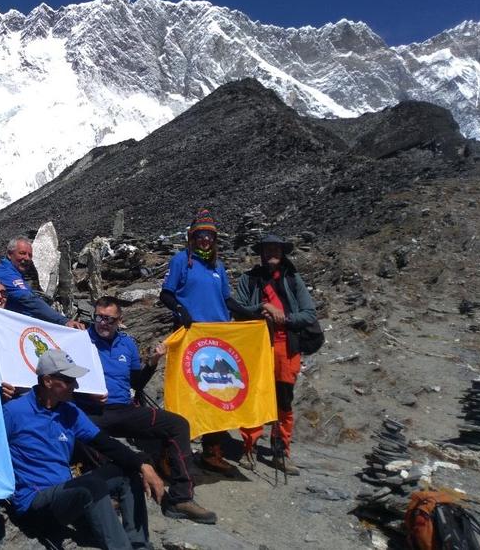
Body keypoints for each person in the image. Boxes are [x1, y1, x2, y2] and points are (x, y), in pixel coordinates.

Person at [3, 349, 165, 550]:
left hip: (67, 494)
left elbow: (104, 443)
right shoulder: (14, 411)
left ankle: (139, 544)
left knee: (127, 470)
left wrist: (143, 465)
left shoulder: (69, 411)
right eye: (69, 380)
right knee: (91, 485)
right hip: (35, 503)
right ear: (47, 381)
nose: (76, 385)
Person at [79, 297, 217, 524]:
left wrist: (152, 363)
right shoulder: (81, 341)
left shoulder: (128, 344)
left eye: (109, 319)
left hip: (124, 409)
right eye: (99, 317)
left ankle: (182, 498)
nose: (103, 323)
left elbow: (136, 383)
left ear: (119, 321)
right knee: (80, 429)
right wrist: (86, 394)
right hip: (92, 410)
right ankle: (111, 490)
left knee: (178, 424)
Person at [158, 209, 251, 475]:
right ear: (192, 237)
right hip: (191, 337)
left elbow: (227, 301)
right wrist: (180, 310)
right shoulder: (180, 261)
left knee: (218, 393)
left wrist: (252, 315)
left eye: (209, 236)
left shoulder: (217, 267)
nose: (205, 240)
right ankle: (169, 452)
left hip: (217, 338)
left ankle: (212, 451)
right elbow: (166, 294)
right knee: (186, 395)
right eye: (200, 235)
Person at [235, 234, 317, 475]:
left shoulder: (293, 279)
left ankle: (281, 450)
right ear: (261, 252)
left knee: (283, 399)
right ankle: (249, 447)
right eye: (268, 249)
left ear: (283, 253)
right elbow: (238, 308)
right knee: (254, 395)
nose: (272, 253)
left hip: (286, 346)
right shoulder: (249, 279)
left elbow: (309, 313)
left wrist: (286, 318)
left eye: (276, 249)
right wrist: (262, 308)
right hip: (257, 345)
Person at [0, 236, 85, 329]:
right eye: (22, 253)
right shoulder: (5, 274)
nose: (27, 258)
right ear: (9, 254)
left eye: (30, 255)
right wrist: (64, 321)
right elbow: (29, 300)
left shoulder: (13, 272)